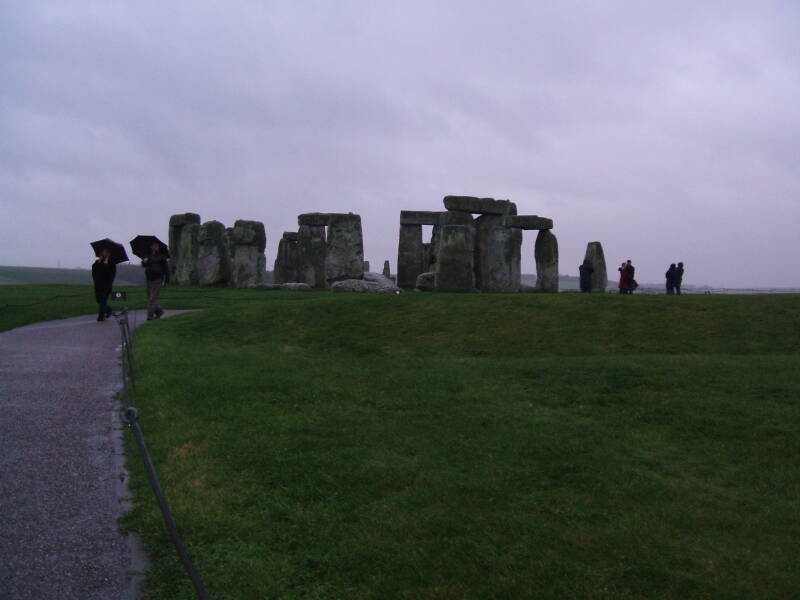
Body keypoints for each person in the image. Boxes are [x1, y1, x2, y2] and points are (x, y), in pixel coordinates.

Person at [141, 242, 169, 320]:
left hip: (158, 279)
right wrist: (144, 261)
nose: (155, 247)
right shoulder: (147, 255)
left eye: (156, 246)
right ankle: (159, 311)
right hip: (149, 278)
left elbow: (166, 269)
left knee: (153, 298)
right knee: (150, 297)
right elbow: (144, 265)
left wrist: (166, 280)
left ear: (158, 247)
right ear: (151, 247)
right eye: (153, 245)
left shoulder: (162, 257)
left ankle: (150, 316)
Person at [91, 248, 116, 322]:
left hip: (106, 285)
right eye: (103, 252)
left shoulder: (111, 263)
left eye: (106, 252)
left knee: (103, 301)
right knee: (98, 300)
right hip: (98, 285)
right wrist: (98, 263)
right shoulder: (98, 262)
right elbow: (94, 271)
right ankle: (108, 310)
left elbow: (111, 275)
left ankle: (100, 317)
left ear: (109, 254)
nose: (104, 253)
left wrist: (106, 265)